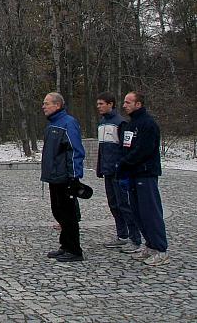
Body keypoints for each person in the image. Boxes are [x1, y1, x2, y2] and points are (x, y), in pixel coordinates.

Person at [117, 91, 169, 266]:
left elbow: (143, 150)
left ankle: (161, 249)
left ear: (138, 104)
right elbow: (127, 147)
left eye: (128, 102)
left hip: (145, 174)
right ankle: (150, 245)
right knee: (138, 213)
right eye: (124, 102)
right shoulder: (131, 124)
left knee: (150, 212)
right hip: (132, 174)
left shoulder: (148, 124)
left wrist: (125, 162)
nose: (124, 105)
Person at [40, 92, 86, 262]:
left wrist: (74, 176)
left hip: (65, 178)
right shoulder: (52, 124)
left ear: (57, 105)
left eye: (46, 103)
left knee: (68, 214)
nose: (43, 106)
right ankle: (65, 245)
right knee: (58, 211)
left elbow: (75, 151)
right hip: (54, 177)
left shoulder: (69, 123)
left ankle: (74, 250)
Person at [95, 92, 141, 253]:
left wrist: (122, 169)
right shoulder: (101, 123)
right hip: (107, 171)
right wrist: (100, 168)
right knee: (113, 204)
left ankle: (135, 238)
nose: (98, 106)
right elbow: (102, 149)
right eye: (98, 104)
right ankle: (122, 235)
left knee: (124, 205)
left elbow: (125, 149)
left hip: (119, 171)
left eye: (101, 104)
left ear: (111, 104)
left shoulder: (120, 123)